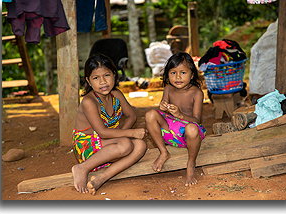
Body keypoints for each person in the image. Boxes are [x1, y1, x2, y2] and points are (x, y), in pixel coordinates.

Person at [72, 54, 147, 194]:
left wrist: (120, 135)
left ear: (114, 74)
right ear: (88, 81)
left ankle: (101, 178)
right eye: (96, 78)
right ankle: (82, 168)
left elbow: (131, 116)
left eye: (107, 75)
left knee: (141, 146)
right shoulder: (89, 102)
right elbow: (102, 132)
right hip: (86, 145)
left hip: (106, 142)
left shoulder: (116, 94)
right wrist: (129, 134)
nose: (103, 82)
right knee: (125, 145)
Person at [145, 52, 206, 186]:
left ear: (192, 75)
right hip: (170, 132)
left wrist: (180, 115)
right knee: (150, 114)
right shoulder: (168, 88)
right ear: (167, 75)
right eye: (173, 73)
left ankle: (191, 163)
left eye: (183, 73)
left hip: (188, 136)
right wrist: (163, 106)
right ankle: (163, 152)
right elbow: (162, 110)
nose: (178, 77)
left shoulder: (196, 93)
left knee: (191, 128)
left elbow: (197, 120)